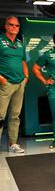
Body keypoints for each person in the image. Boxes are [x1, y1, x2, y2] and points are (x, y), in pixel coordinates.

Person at [0, 16, 29, 153]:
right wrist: (1, 78)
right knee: (0, 115)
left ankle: (13, 144)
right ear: (5, 26)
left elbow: (23, 61)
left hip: (19, 83)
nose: (14, 27)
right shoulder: (0, 40)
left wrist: (26, 77)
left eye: (16, 26)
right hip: (5, 83)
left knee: (15, 115)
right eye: (10, 25)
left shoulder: (19, 43)